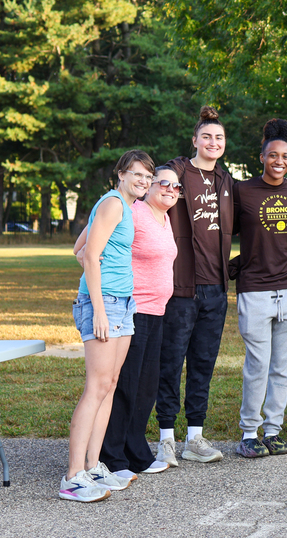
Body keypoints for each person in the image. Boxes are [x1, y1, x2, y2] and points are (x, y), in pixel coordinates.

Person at [60, 150, 154, 502]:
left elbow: (78, 247)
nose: (144, 181)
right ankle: (72, 477)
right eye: (138, 175)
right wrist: (98, 310)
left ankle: (93, 464)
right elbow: (89, 257)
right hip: (106, 304)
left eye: (148, 176)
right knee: (96, 386)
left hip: (123, 303)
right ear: (121, 174)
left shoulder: (120, 207)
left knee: (109, 385)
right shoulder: (114, 204)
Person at [156, 106, 235, 467]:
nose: (213, 142)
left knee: (203, 363)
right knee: (171, 361)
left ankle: (194, 438)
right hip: (181, 287)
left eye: (218, 137)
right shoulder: (177, 173)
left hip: (215, 288)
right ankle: (166, 439)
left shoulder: (225, 181)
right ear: (194, 140)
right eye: (206, 136)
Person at [95, 166, 179, 479]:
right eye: (164, 183)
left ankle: (136, 452)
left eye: (176, 186)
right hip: (132, 310)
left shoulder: (165, 218)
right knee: (126, 385)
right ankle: (112, 456)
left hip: (157, 311)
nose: (170, 189)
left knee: (146, 388)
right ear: (149, 185)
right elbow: (92, 247)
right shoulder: (134, 211)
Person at [231, 119, 287, 458]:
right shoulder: (242, 191)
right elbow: (221, 234)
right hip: (255, 291)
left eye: (285, 157)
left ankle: (273, 430)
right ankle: (249, 432)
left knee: (282, 365)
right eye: (273, 155)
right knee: (257, 364)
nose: (279, 161)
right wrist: (233, 265)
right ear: (261, 157)